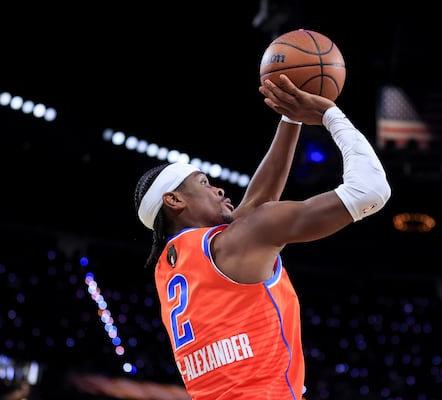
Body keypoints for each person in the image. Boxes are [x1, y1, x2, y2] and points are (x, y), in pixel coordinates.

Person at [133, 74, 391, 400]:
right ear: (174, 200)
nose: (218, 188)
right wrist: (330, 115)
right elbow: (371, 191)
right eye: (203, 183)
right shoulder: (237, 240)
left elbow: (256, 204)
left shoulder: (172, 265)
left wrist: (290, 116)